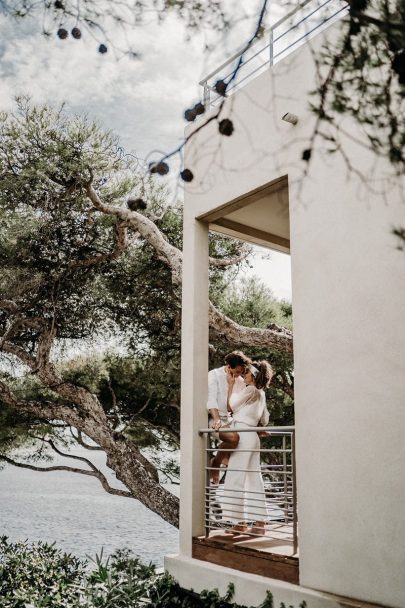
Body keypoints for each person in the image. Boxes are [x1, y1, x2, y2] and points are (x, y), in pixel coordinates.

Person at [221, 360, 273, 533]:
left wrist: (229, 385)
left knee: (235, 478)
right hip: (253, 437)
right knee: (254, 479)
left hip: (243, 435)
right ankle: (259, 524)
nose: (244, 375)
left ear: (254, 375)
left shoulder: (250, 390)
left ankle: (239, 523)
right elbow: (264, 420)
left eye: (248, 373)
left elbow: (230, 405)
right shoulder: (261, 393)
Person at [207, 351, 251, 484]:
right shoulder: (213, 375)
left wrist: (232, 384)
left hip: (231, 419)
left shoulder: (240, 381)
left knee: (247, 440)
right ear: (229, 366)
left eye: (241, 372)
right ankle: (216, 463)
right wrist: (216, 420)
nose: (239, 375)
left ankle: (220, 459)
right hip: (214, 418)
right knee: (233, 438)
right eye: (237, 371)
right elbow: (211, 399)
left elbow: (231, 407)